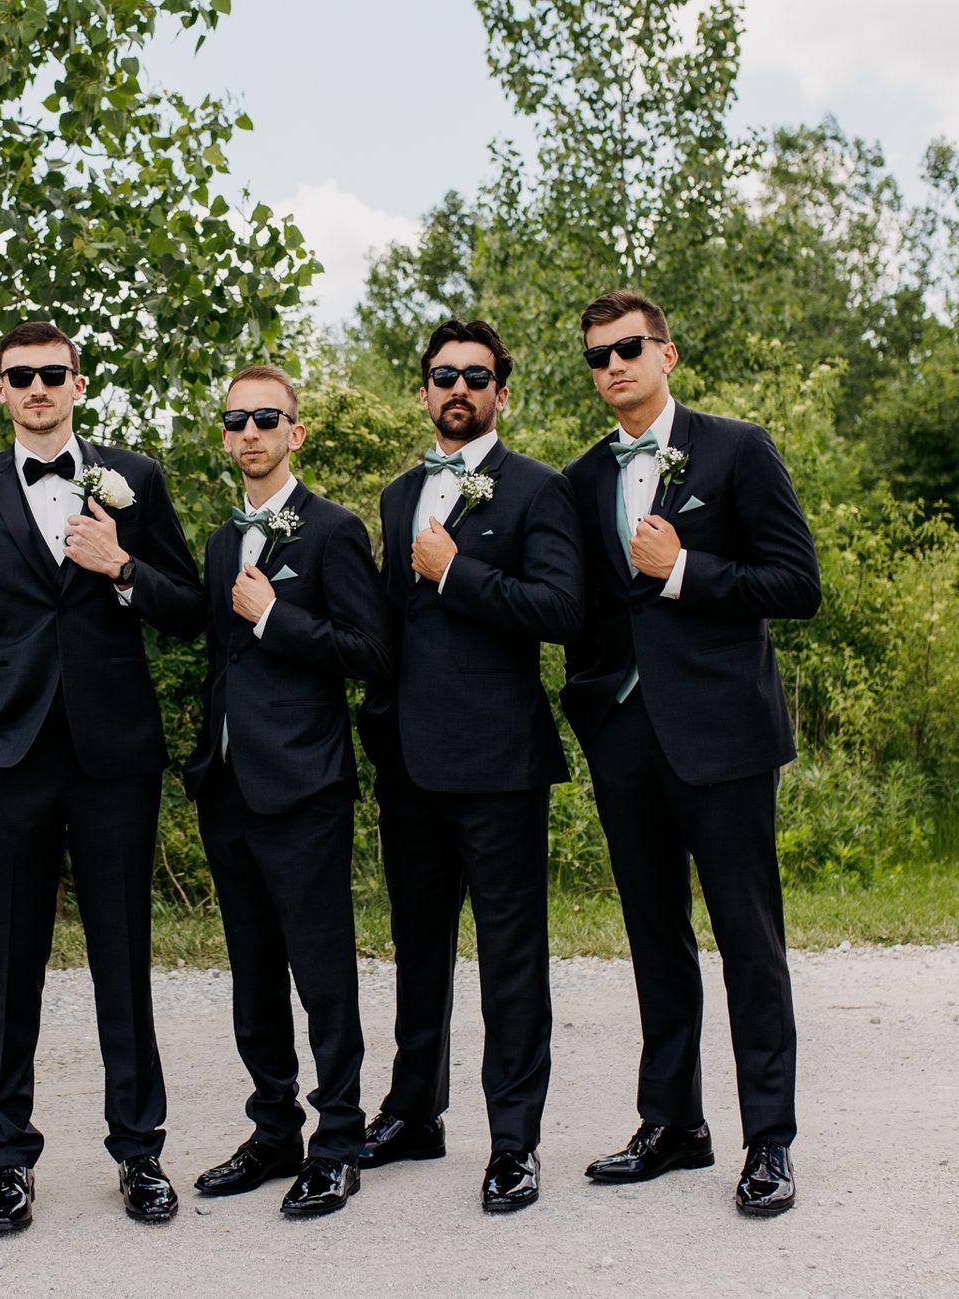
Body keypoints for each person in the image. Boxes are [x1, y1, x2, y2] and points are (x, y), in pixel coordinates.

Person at [0, 320, 206, 1232]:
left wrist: (121, 566)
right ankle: (7, 1157)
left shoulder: (137, 476)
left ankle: (139, 1150)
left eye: (52, 373)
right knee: (10, 963)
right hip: (5, 754)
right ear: (0, 389)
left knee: (123, 955)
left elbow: (190, 608)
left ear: (78, 384)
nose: (37, 388)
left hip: (113, 753)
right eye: (20, 376)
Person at [559, 290, 821, 1217]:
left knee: (749, 938)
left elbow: (797, 583)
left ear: (666, 354)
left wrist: (680, 570)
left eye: (628, 348)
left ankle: (769, 1140)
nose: (613, 366)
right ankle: (673, 1124)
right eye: (598, 356)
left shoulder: (737, 449)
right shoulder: (581, 477)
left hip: (725, 735)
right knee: (653, 935)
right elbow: (581, 608)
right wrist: (593, 708)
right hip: (625, 738)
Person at [355, 320, 583, 1212]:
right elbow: (389, 622)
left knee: (510, 958)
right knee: (419, 947)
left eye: (476, 376)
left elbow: (561, 609)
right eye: (444, 374)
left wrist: (457, 574)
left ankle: (515, 1140)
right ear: (423, 390)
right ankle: (415, 1111)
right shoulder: (397, 494)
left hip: (500, 766)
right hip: (410, 765)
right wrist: (377, 724)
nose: (459, 388)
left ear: (501, 393)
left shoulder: (538, 488)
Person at [183, 365, 391, 1218]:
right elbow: (220, 658)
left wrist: (275, 615)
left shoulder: (334, 530)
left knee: (321, 969)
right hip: (228, 784)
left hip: (304, 785)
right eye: (236, 420)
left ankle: (338, 1139)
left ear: (295, 432)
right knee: (254, 971)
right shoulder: (219, 540)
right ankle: (274, 1130)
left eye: (266, 418)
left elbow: (371, 652)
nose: (250, 433)